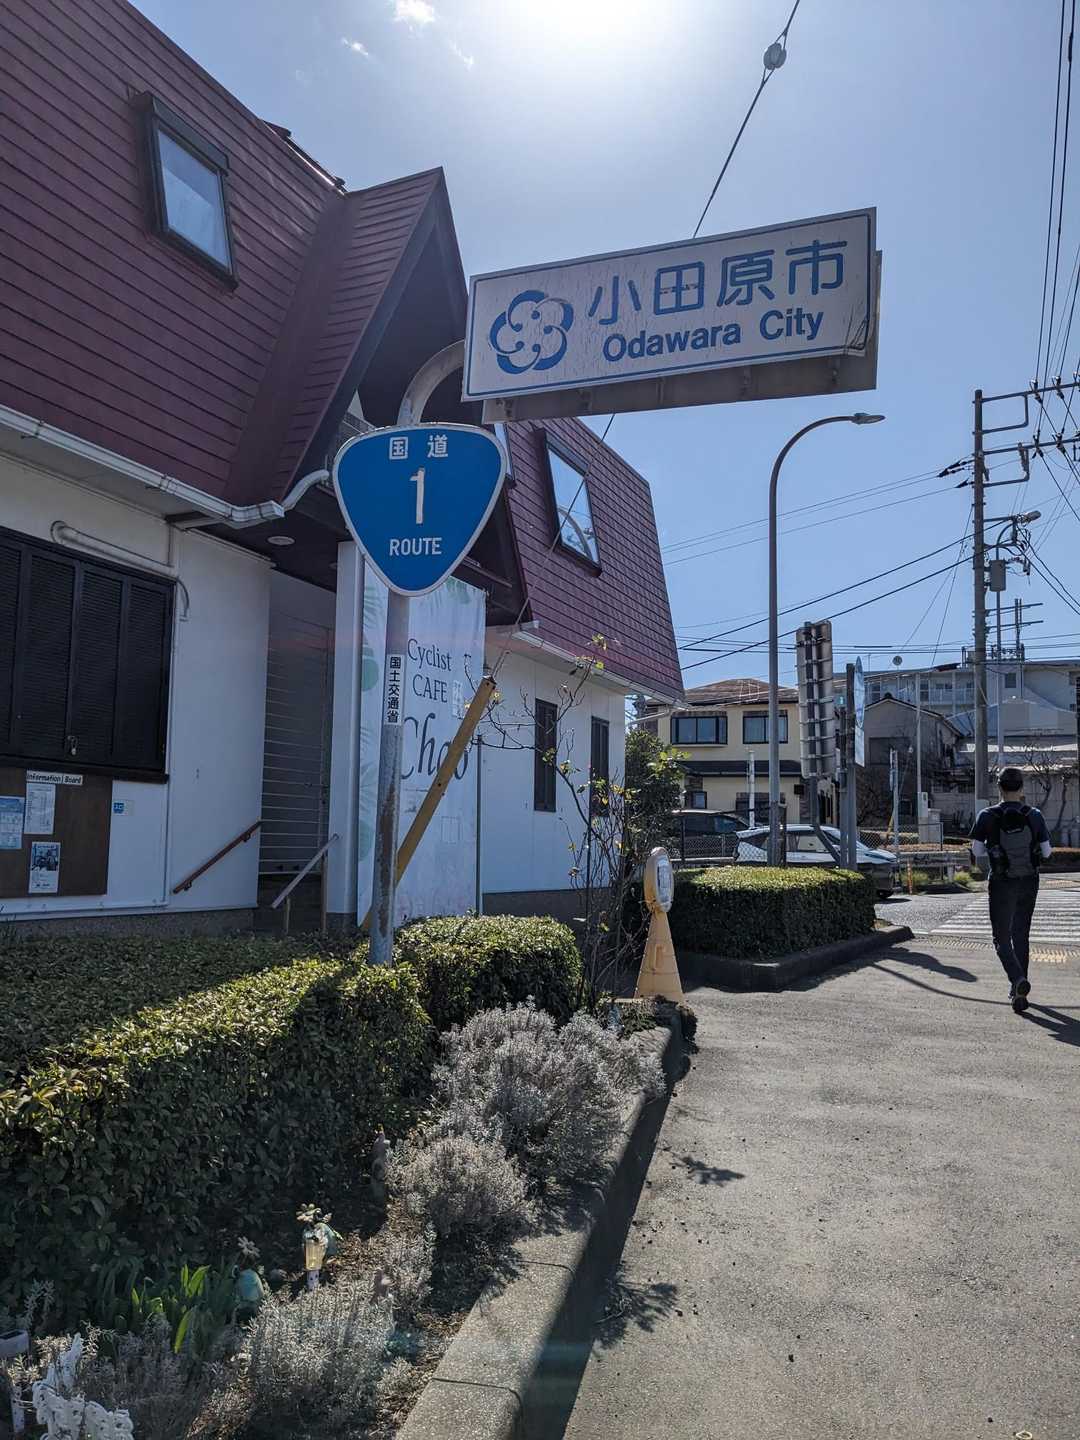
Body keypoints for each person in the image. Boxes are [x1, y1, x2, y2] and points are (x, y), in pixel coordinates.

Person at [970, 768, 1053, 1013]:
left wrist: (994, 848)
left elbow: (977, 851)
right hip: (1029, 880)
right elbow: (1047, 852)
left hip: (1002, 882)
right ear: (1021, 788)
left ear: (999, 787)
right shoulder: (1034, 815)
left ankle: (1017, 980)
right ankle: (1020, 995)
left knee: (1001, 937)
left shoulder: (987, 815)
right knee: (1021, 935)